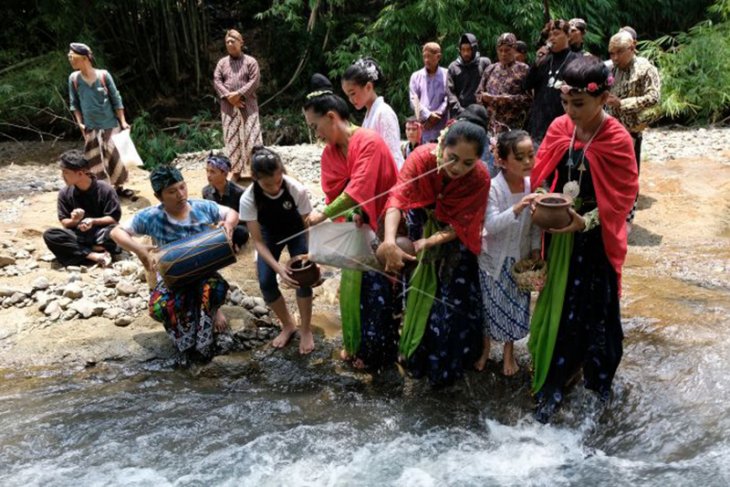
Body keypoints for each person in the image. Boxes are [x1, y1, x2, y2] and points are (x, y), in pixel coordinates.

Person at [528, 56, 638, 422]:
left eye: (579, 104)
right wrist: (541, 195)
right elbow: (543, 171)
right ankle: (554, 380)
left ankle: (598, 383)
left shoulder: (618, 139)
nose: (570, 112)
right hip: (562, 234)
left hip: (595, 237)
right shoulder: (561, 128)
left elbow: (623, 198)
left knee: (596, 308)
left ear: (603, 98)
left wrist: (586, 221)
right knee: (558, 306)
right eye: (566, 103)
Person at [377, 111, 490, 387]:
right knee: (415, 290)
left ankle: (449, 365)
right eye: (452, 157)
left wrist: (429, 242)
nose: (457, 167)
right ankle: (415, 357)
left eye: (467, 162)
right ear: (442, 146)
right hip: (420, 222)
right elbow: (397, 198)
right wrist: (390, 241)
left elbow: (464, 223)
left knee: (452, 302)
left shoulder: (480, 177)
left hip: (453, 240)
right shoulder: (421, 157)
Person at [303, 74, 400, 370]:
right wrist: (354, 210)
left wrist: (323, 214)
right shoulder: (331, 154)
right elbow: (342, 191)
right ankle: (357, 347)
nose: (315, 134)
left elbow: (358, 187)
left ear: (332, 117)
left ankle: (378, 356)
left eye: (315, 126)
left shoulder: (368, 141)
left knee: (379, 293)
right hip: (358, 226)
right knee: (353, 291)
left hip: (386, 225)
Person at [111, 166, 239, 365]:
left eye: (182, 187)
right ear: (159, 196)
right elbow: (116, 233)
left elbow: (231, 213)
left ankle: (213, 312)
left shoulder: (202, 207)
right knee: (160, 308)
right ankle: (186, 345)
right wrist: (140, 250)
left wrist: (229, 225)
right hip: (173, 279)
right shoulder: (151, 216)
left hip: (204, 274)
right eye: (172, 191)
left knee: (216, 289)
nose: (180, 195)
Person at [475, 130, 541, 376]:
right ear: (502, 161)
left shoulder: (530, 186)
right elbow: (490, 225)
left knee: (514, 306)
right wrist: (518, 207)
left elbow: (535, 225)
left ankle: (508, 354)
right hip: (493, 259)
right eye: (520, 157)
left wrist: (535, 252)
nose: (527, 162)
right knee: (490, 306)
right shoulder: (493, 188)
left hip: (519, 259)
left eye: (530, 156)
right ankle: (485, 349)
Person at [239, 147, 315, 354]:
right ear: (255, 178)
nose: (274, 187)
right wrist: (279, 269)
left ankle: (306, 329)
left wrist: (310, 255)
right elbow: (258, 242)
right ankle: (288, 325)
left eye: (278, 181)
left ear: (282, 172)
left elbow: (307, 225)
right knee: (265, 281)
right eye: (267, 184)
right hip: (268, 235)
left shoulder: (296, 189)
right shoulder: (248, 199)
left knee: (303, 275)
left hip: (297, 230)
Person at [605, 31, 661, 226]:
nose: (615, 57)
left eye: (619, 52)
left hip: (631, 132)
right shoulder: (612, 69)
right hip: (610, 131)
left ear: (632, 47)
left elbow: (654, 98)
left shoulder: (646, 69)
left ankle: (627, 220)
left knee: (629, 176)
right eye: (611, 53)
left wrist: (622, 103)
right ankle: (610, 216)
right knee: (608, 175)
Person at [67, 42, 132, 198]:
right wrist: (80, 123)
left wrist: (122, 122)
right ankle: (103, 191)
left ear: (84, 58)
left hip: (110, 123)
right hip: (90, 126)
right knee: (95, 161)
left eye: (72, 57)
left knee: (115, 158)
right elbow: (74, 104)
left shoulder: (103, 75)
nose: (70, 60)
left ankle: (118, 188)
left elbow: (116, 99)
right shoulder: (74, 79)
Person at [43, 150, 120, 267]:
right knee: (50, 235)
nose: (62, 176)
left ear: (80, 173)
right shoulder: (65, 193)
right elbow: (65, 222)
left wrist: (93, 221)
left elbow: (113, 218)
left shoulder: (105, 189)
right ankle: (94, 255)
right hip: (79, 235)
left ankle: (83, 250)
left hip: (101, 233)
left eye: (66, 172)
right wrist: (75, 221)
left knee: (117, 233)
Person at [213, 29, 263, 184]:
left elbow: (254, 81)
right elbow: (217, 80)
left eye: (233, 40)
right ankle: (235, 172)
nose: (229, 43)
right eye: (227, 41)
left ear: (241, 42)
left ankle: (257, 171)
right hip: (228, 108)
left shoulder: (250, 62)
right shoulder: (222, 63)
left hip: (248, 106)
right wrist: (229, 97)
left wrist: (239, 95)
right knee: (232, 140)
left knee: (253, 139)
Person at [342, 58, 404, 169]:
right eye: (348, 96)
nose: (351, 100)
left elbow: (393, 156)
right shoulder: (370, 114)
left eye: (353, 93)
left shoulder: (384, 113)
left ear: (368, 87)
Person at [525, 20, 581, 146]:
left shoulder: (576, 61)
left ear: (568, 36)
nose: (552, 38)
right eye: (549, 36)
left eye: (556, 34)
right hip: (538, 125)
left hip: (563, 125)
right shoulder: (544, 61)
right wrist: (536, 63)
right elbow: (526, 85)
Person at [476, 33, 531, 135]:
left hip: (513, 128)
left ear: (514, 49)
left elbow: (529, 99)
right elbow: (478, 93)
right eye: (500, 50)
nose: (503, 54)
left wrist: (507, 99)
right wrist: (484, 98)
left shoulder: (523, 70)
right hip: (490, 127)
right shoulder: (490, 69)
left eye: (507, 50)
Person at [202, 152, 250, 250]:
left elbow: (248, 217)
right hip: (217, 227)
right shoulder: (206, 192)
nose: (208, 175)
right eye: (207, 171)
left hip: (236, 226)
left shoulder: (240, 192)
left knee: (241, 232)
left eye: (212, 172)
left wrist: (230, 222)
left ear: (225, 173)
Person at [409, 42, 449, 143]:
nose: (426, 60)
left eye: (429, 57)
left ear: (438, 57)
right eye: (424, 56)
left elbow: (449, 97)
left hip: (442, 128)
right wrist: (428, 115)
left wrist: (438, 114)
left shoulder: (447, 75)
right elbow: (414, 100)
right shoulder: (416, 76)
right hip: (424, 128)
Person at [447, 33, 491, 117]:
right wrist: (460, 110)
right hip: (460, 112)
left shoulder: (484, 63)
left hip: (481, 112)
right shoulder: (453, 67)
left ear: (474, 49)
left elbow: (490, 87)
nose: (466, 53)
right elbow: (450, 93)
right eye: (463, 50)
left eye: (468, 50)